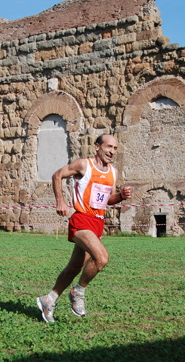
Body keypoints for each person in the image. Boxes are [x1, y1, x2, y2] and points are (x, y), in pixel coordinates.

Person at [36, 134, 132, 322]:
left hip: (98, 223)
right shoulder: (84, 165)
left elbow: (108, 198)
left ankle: (49, 299)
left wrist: (120, 196)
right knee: (102, 258)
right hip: (81, 220)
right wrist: (61, 202)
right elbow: (57, 175)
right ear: (97, 147)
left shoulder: (113, 172)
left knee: (74, 267)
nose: (112, 151)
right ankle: (78, 292)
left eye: (115, 148)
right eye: (108, 147)